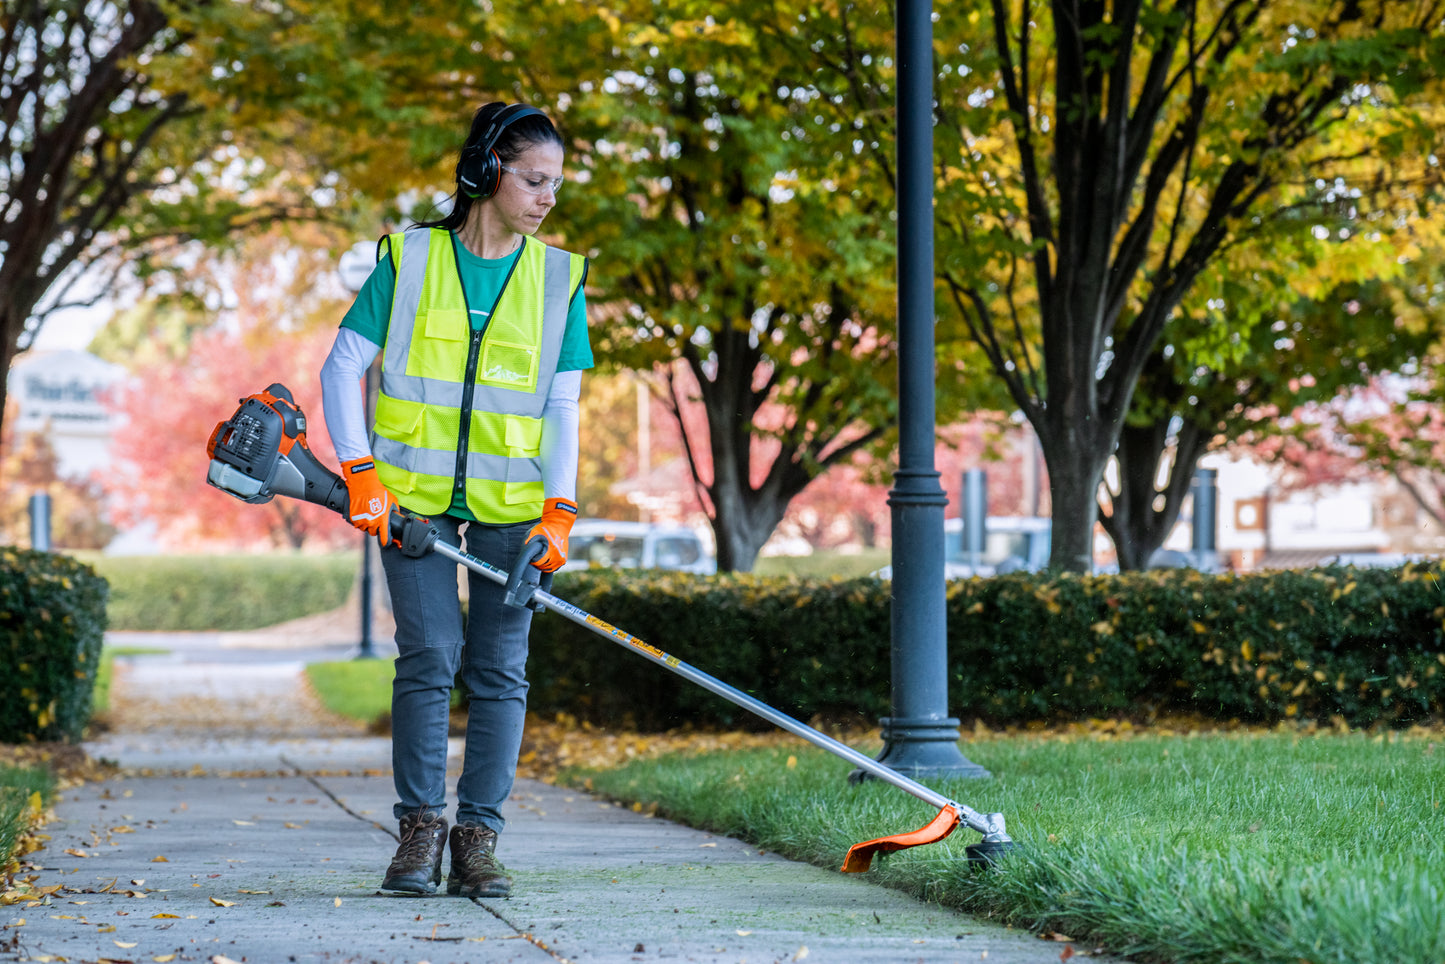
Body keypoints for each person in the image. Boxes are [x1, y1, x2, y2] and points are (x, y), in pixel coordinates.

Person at [319, 102, 592, 899]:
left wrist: (561, 510)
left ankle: (478, 839)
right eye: (535, 180)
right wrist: (362, 473)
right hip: (411, 502)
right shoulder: (410, 259)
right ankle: (418, 833)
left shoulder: (558, 277)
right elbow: (343, 368)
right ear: (487, 171)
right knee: (430, 657)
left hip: (516, 509)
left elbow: (563, 407)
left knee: (501, 669)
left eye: (556, 185)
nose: (547, 199)